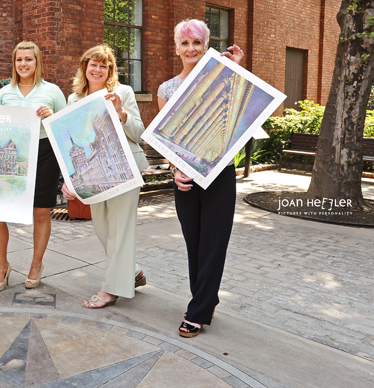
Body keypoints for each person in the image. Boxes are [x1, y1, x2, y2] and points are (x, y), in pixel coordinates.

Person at [157, 19, 243, 338]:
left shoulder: (224, 79)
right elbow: (166, 139)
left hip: (220, 171)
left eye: (197, 43)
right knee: (194, 242)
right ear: (176, 47)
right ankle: (204, 298)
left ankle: (199, 310)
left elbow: (240, 114)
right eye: (185, 43)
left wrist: (233, 71)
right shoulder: (166, 89)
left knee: (214, 242)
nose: (191, 48)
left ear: (206, 46)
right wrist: (175, 167)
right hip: (185, 176)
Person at [61, 44, 149, 308]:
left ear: (110, 69)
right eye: (93, 64)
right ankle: (132, 271)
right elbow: (69, 145)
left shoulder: (122, 92)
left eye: (104, 65)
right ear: (84, 67)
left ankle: (111, 289)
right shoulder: (73, 100)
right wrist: (70, 179)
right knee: (102, 228)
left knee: (121, 230)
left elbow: (139, 132)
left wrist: (122, 114)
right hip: (93, 169)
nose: (98, 69)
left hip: (125, 169)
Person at [0, 41, 66, 291]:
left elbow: (65, 128)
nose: (23, 64)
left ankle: (36, 264)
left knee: (41, 212)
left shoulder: (52, 91)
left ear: (37, 62)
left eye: (28, 59)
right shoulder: (4, 92)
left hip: (44, 153)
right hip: (10, 157)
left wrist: (52, 116)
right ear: (14, 63)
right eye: (19, 59)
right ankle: (2, 266)